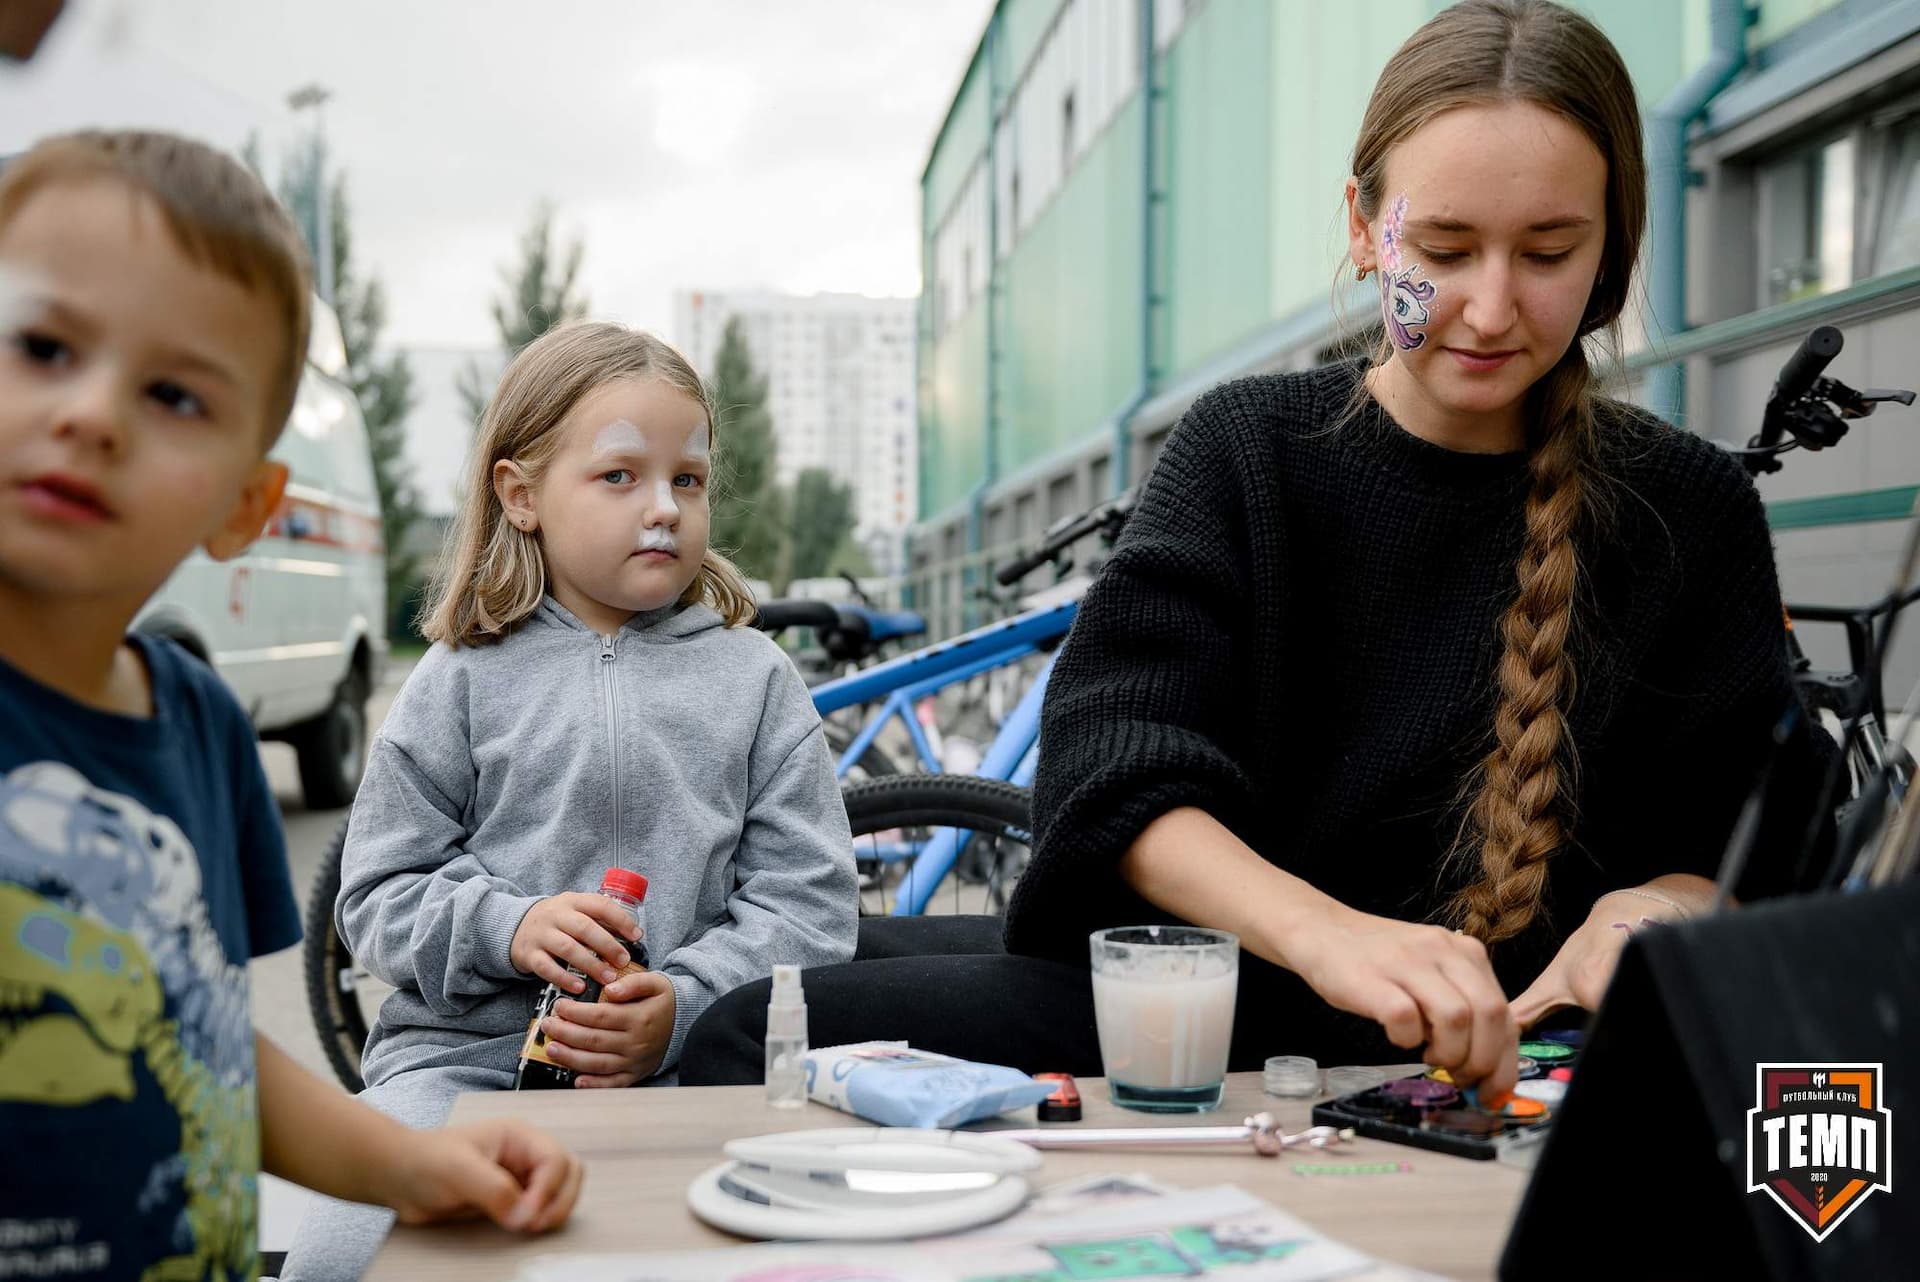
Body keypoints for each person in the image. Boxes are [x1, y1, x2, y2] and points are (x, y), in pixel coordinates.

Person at [681, 0, 1830, 1099]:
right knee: (752, 1023)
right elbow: (1118, 772)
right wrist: (1328, 938)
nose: (1489, 306)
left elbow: (1754, 837)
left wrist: (1655, 914)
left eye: (1546, 252)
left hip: (1513, 1064)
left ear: (1612, 246)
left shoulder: (1690, 507)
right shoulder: (1247, 449)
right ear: (1361, 225)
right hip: (1195, 1003)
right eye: (1444, 244)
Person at [0, 129, 581, 1279]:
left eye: (173, 392)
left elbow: (209, 1044)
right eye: (44, 346)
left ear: (245, 504)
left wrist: (413, 1164)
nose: (95, 412)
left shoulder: (204, 726)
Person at [282, 320, 858, 1278]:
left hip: (696, 1069)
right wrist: (506, 926)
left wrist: (682, 1005)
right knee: (338, 1261)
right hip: (457, 1074)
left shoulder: (756, 680)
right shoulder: (458, 677)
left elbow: (811, 904)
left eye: (690, 479)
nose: (666, 508)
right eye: (620, 477)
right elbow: (376, 894)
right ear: (521, 496)